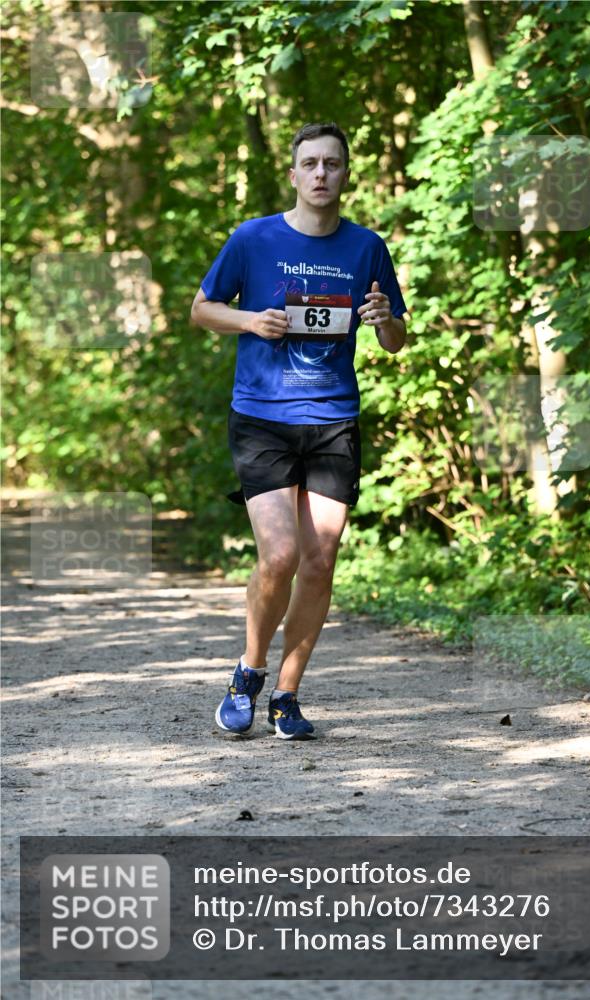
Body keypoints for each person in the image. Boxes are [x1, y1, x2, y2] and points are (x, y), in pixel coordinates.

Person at [190, 122, 408, 741]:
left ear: (345, 173)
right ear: (293, 174)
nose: (320, 174)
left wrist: (385, 319)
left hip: (333, 418)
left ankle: (287, 694)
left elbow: (394, 341)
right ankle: (247, 671)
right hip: (262, 415)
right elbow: (201, 309)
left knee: (320, 560)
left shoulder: (366, 247)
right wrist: (251, 322)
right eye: (309, 163)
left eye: (331, 164)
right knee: (280, 554)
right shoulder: (252, 238)